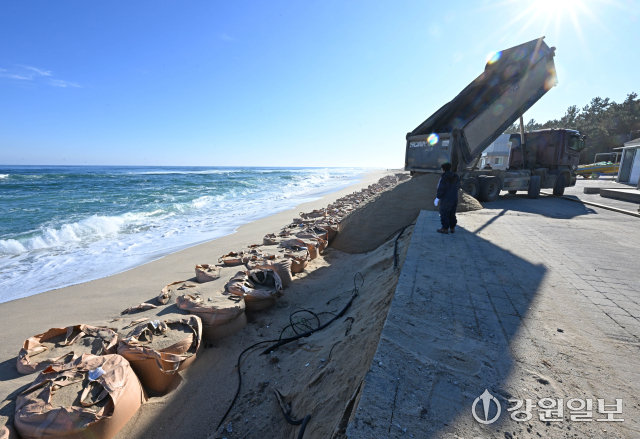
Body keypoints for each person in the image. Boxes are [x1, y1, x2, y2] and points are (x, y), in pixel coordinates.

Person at [435, 162, 460, 234]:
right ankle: (452, 228)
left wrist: (437, 198)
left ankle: (445, 229)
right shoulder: (456, 176)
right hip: (454, 198)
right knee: (452, 213)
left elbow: (441, 189)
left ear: (443, 169)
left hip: (446, 199)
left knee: (444, 213)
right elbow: (458, 186)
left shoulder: (444, 177)